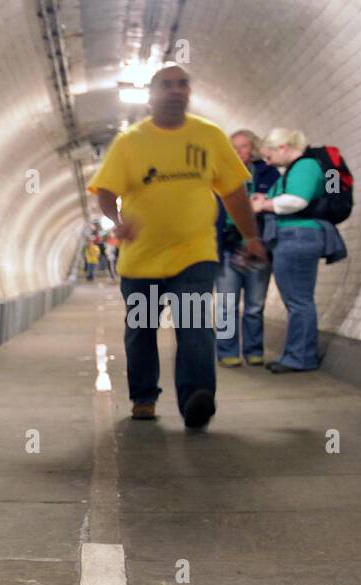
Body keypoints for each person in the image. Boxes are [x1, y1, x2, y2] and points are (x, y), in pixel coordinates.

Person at [88, 63, 266, 429]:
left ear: (189, 92)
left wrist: (251, 236)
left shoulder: (210, 136)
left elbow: (233, 192)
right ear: (151, 97)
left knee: (196, 327)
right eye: (166, 85)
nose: (176, 90)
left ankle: (197, 398)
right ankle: (144, 397)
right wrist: (118, 222)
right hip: (141, 260)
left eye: (182, 84)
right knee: (142, 331)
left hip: (194, 255)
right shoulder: (130, 142)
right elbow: (105, 192)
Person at [251, 128, 325, 372]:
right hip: (294, 237)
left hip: (297, 236)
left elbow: (297, 200)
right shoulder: (295, 169)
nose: (268, 163)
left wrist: (265, 205)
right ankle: (299, 354)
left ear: (282, 147)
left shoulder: (305, 166)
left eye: (269, 156)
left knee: (299, 302)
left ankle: (300, 357)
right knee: (298, 301)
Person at [215, 130, 279, 367]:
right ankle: (227, 351)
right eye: (234, 147)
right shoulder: (219, 174)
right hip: (228, 247)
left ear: (253, 148)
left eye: (243, 146)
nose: (239, 151)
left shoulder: (269, 173)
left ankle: (254, 350)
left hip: (259, 248)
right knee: (226, 304)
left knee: (255, 305)